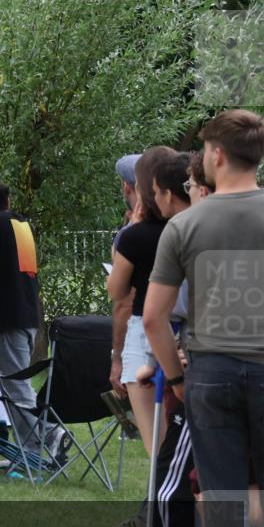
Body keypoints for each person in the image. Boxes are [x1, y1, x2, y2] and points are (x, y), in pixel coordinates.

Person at [145, 109, 264, 527]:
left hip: (212, 369)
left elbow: (153, 317)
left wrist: (173, 374)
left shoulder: (186, 226)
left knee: (225, 498)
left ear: (215, 155)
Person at [118, 150, 199, 527]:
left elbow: (154, 317)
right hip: (212, 362)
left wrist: (174, 371)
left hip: (202, 374)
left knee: (171, 484)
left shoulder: (180, 232)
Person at [0, 181, 64, 458]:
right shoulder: (21, 226)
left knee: (15, 385)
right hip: (30, 315)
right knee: (17, 382)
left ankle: (50, 435)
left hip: (10, 319)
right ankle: (30, 450)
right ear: (8, 200)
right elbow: (4, 276)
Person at [108, 147, 178, 457]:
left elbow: (118, 295)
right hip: (189, 333)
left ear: (131, 187)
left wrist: (116, 355)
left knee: (156, 443)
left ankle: (160, 503)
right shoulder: (188, 227)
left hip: (145, 333)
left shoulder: (133, 237)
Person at [109, 154, 142, 397]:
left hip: (143, 340)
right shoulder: (183, 224)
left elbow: (123, 302)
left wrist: (117, 358)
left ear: (126, 186)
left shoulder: (131, 235)